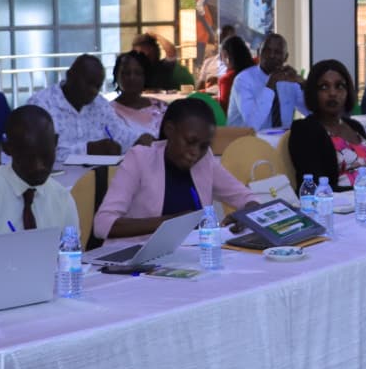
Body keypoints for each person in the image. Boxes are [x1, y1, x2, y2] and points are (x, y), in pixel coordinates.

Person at [92, 97, 253, 240]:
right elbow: (103, 224)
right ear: (170, 130)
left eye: (203, 146)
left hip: (186, 258)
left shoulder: (205, 160)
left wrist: (245, 215)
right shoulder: (140, 159)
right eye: (190, 142)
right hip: (132, 260)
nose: (195, 152)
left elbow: (246, 198)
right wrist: (172, 222)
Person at [0, 106, 76, 237]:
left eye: (45, 155)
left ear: (56, 142)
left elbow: (71, 255)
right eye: (28, 157)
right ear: (7, 149)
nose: (39, 166)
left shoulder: (62, 198)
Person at [288, 59, 366, 188]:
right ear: (313, 92)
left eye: (339, 86)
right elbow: (317, 186)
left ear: (348, 91)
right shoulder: (304, 130)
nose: (333, 93)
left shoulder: (354, 126)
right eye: (324, 87)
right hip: (336, 204)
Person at [27, 55, 147, 158]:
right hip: (55, 182)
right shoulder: (41, 105)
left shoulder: (100, 104)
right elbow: (36, 153)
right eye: (89, 83)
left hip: (97, 180)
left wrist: (139, 140)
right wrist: (88, 149)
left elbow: (121, 134)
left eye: (97, 86)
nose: (93, 91)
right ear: (69, 76)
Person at [226, 32, 306, 131]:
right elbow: (252, 125)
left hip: (281, 142)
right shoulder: (243, 80)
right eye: (267, 50)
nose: (271, 55)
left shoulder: (289, 80)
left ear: (286, 57)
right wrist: (270, 85)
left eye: (277, 52)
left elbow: (312, 112)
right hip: (246, 142)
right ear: (259, 52)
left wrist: (304, 85)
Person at [109, 51, 168, 138]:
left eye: (138, 73)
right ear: (116, 76)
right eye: (126, 73)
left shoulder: (161, 107)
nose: (132, 77)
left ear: (145, 77)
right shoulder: (108, 112)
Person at [216, 35, 254, 112]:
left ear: (226, 55)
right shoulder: (257, 73)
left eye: (221, 56)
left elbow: (225, 109)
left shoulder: (227, 80)